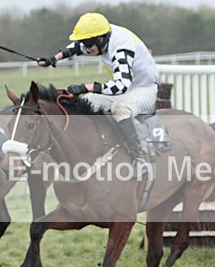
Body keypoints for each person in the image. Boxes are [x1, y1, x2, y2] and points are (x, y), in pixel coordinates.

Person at [37, 12, 158, 175]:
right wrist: (54, 58)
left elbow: (121, 85)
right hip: (126, 89)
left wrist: (85, 87)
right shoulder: (100, 36)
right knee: (87, 102)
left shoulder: (121, 46)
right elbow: (77, 47)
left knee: (120, 109)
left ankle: (140, 160)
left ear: (100, 39)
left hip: (143, 89)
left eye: (88, 44)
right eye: (84, 43)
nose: (86, 48)